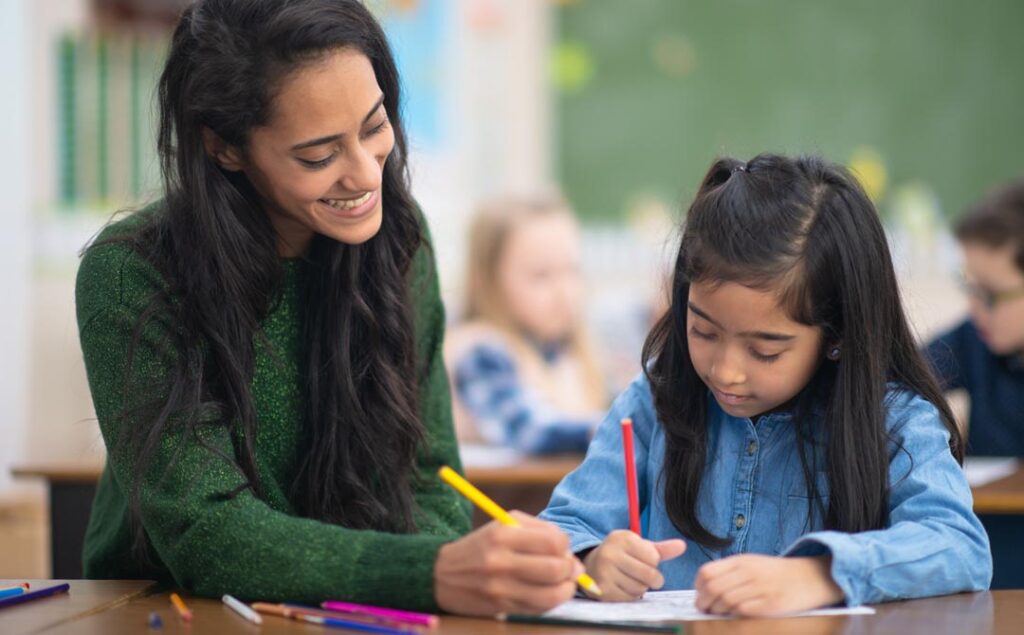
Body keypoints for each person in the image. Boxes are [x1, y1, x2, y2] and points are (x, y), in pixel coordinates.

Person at [76, 0, 581, 615]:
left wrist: (457, 569)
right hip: (172, 609)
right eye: (318, 156)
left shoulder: (397, 238)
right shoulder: (133, 273)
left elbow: (430, 478)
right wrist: (425, 572)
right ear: (225, 148)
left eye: (375, 127)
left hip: (354, 612)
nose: (367, 174)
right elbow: (204, 532)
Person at [540, 154, 991, 615]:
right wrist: (589, 559)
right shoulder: (654, 400)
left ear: (836, 335)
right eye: (704, 331)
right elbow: (563, 527)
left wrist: (818, 574)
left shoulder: (893, 420)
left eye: (765, 351)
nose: (726, 371)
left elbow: (957, 545)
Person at [445, 195, 607, 455]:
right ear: (489, 281)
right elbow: (528, 429)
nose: (564, 291)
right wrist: (612, 430)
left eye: (572, 270)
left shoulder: (568, 354)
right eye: (541, 275)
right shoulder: (480, 353)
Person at [926, 179, 1024, 456]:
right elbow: (901, 376)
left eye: (990, 295)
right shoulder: (974, 339)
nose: (975, 308)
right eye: (970, 289)